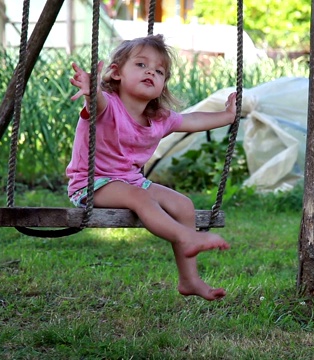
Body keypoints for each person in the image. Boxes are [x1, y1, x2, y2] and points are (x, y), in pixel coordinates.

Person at [66, 34, 236, 301]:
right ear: (116, 73)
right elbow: (95, 101)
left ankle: (190, 280)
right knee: (140, 196)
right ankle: (186, 237)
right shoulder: (107, 106)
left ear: (162, 85)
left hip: (131, 183)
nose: (150, 73)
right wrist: (92, 89)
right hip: (93, 184)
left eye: (159, 71)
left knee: (183, 205)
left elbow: (192, 120)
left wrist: (227, 116)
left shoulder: (158, 119)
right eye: (141, 65)